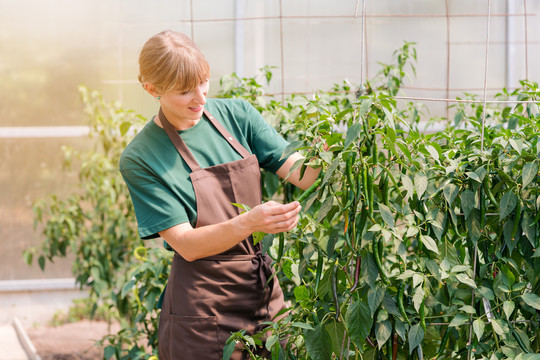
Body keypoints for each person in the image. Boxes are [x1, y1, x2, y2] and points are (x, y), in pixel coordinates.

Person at [119, 30, 320, 359]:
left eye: (204, 83)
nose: (200, 98)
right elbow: (187, 244)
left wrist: (335, 154)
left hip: (263, 292)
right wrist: (250, 222)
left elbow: (304, 174)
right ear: (152, 89)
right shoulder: (141, 157)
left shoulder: (237, 116)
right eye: (185, 91)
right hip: (203, 308)